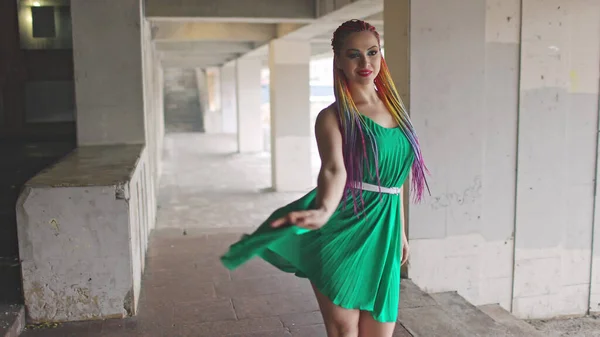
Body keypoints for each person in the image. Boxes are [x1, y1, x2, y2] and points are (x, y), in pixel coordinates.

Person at [221, 19, 429, 337]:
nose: (365, 62)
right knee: (345, 330)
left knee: (379, 331)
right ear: (339, 62)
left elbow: (395, 182)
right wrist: (324, 210)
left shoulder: (397, 111)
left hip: (383, 232)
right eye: (353, 54)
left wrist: (400, 231)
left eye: (372, 52)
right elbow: (333, 170)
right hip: (341, 226)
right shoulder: (333, 117)